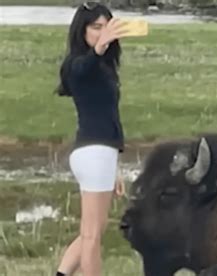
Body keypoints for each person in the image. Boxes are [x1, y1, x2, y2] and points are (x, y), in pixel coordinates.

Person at [54, 2, 128, 275]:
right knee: (92, 237)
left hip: (101, 153)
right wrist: (98, 49)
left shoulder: (104, 69)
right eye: (95, 27)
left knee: (93, 230)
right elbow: (83, 67)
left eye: (106, 27)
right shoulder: (78, 65)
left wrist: (115, 167)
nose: (102, 32)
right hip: (93, 153)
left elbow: (109, 118)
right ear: (82, 30)